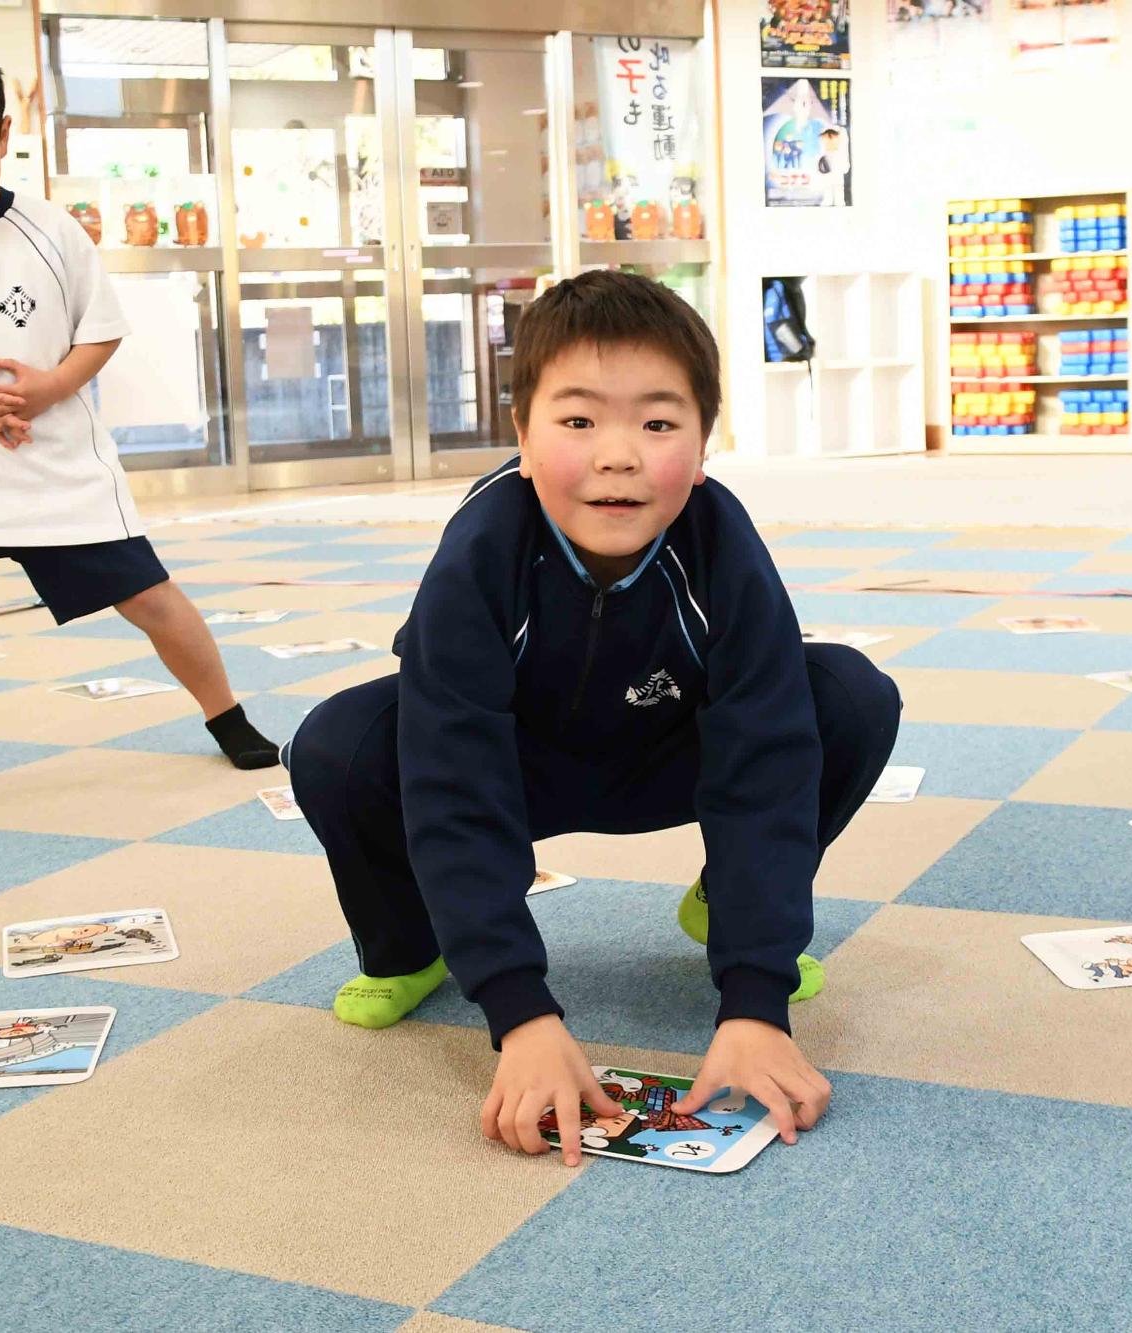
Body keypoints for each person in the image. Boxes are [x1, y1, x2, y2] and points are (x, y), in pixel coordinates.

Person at [285, 271, 901, 1165]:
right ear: (523, 439)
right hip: (513, 767)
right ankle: (412, 941)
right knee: (338, 744)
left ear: (704, 439)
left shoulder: (724, 546)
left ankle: (726, 904)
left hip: (664, 755)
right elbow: (452, 776)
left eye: (658, 424)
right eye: (578, 422)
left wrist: (755, 1000)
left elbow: (765, 763)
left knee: (848, 693)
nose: (620, 455)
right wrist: (518, 1010)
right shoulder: (481, 551)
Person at [0, 41, 275, 805]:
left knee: (150, 597)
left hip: (61, 468)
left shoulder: (51, 230)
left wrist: (48, 389)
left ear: (5, 134)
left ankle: (229, 717)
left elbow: (101, 330)